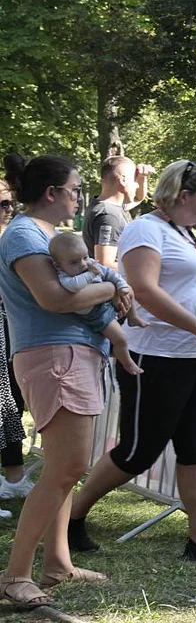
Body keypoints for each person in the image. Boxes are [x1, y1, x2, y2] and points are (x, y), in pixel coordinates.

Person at [68, 160, 196, 561]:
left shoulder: (188, 234)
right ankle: (72, 516)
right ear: (181, 197)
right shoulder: (145, 230)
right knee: (138, 450)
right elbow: (145, 292)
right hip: (155, 356)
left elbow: (189, 284)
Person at [0, 154, 120, 607]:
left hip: (68, 354)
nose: (78, 197)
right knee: (66, 467)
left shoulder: (42, 235)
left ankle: (57, 563)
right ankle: (14, 577)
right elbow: (54, 299)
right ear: (52, 193)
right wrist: (112, 286)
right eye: (74, 189)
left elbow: (74, 299)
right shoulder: (26, 235)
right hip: (54, 357)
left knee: (64, 468)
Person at [48, 232, 147, 376]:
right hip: (97, 313)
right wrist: (91, 274)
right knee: (121, 339)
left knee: (129, 292)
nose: (83, 264)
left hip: (104, 302)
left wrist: (121, 286)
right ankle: (127, 363)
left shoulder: (89, 265)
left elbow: (110, 273)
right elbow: (73, 286)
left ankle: (133, 317)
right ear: (58, 265)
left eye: (85, 257)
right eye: (74, 262)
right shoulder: (65, 276)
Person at [0, 180, 33, 507]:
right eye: (1, 204)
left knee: (10, 406)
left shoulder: (10, 238)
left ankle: (13, 477)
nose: (7, 210)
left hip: (9, 330)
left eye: (9, 203)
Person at [82, 156, 154, 271]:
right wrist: (145, 269)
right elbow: (104, 264)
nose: (137, 185)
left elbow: (138, 198)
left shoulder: (105, 205)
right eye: (134, 180)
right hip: (113, 287)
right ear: (123, 180)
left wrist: (142, 177)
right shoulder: (109, 216)